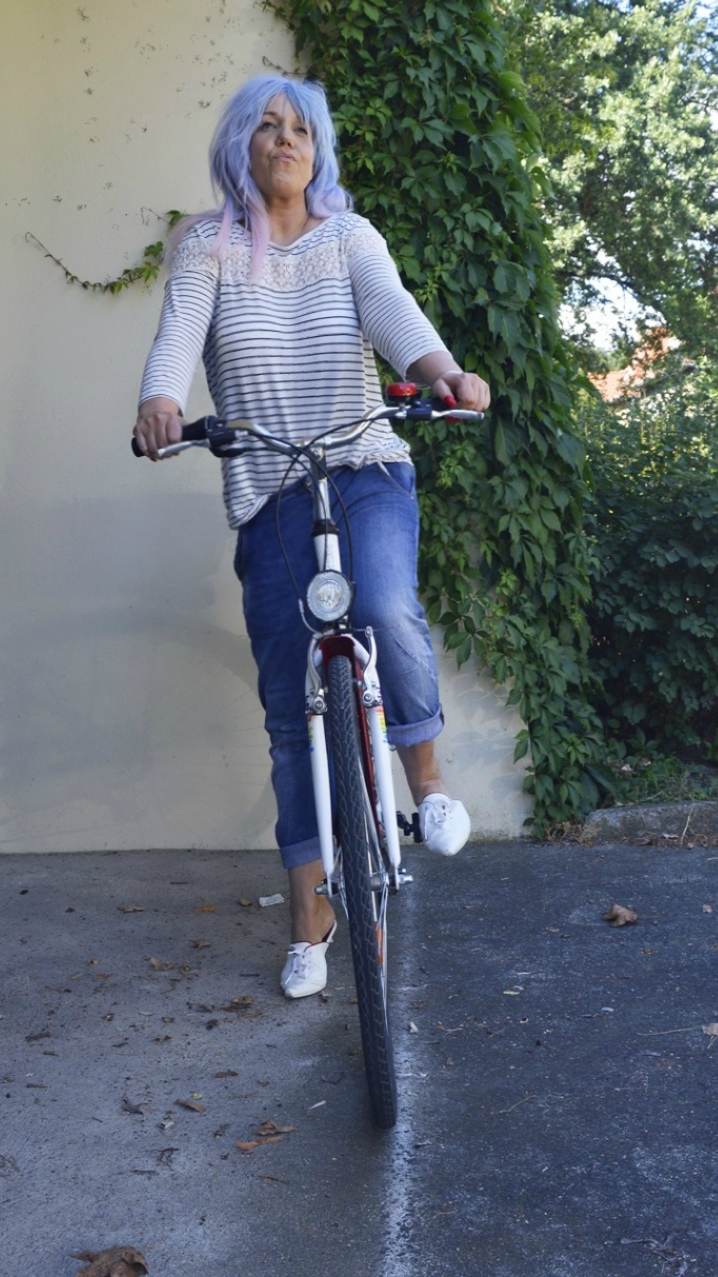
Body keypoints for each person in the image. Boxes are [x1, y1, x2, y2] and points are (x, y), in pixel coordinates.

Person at [134, 74, 490, 1000]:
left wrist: (445, 372)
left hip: (364, 466)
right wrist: (160, 400)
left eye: (301, 128)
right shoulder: (210, 246)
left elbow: (394, 314)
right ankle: (308, 914)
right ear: (241, 147)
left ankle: (427, 783)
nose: (285, 139)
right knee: (292, 713)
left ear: (317, 149)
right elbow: (180, 335)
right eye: (267, 126)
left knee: (384, 601)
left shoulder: (348, 237)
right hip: (269, 491)